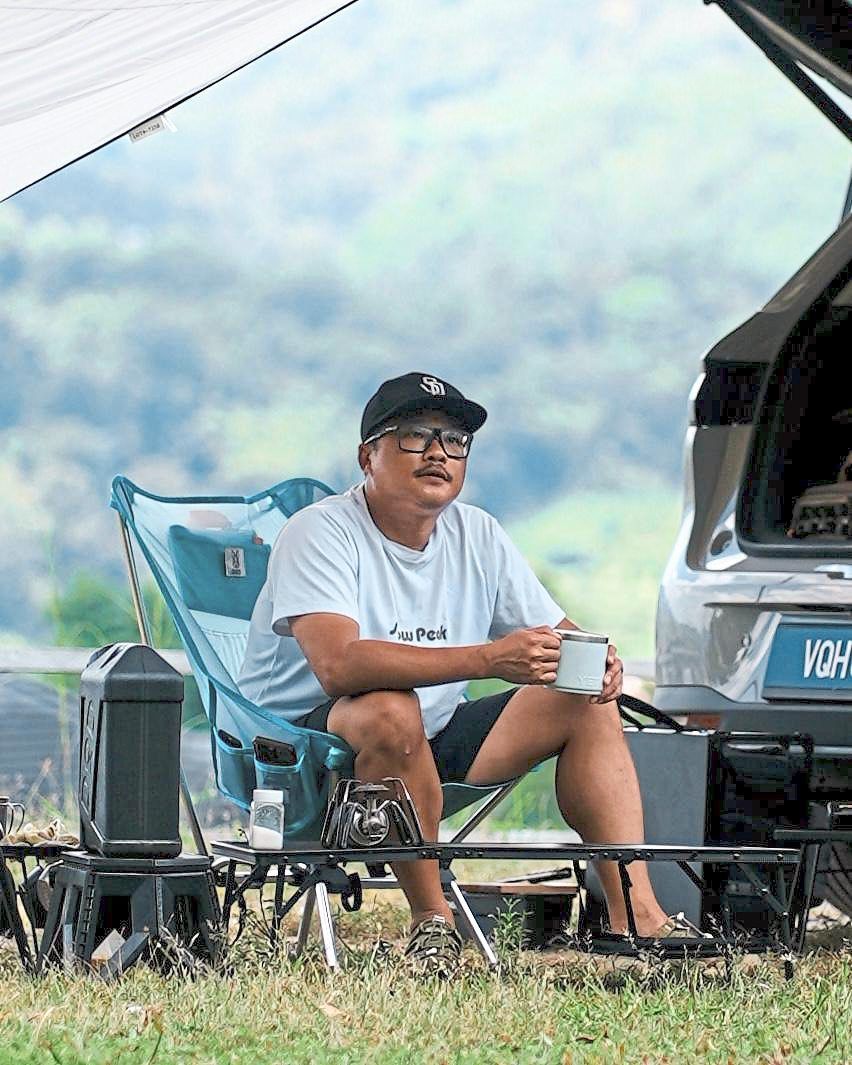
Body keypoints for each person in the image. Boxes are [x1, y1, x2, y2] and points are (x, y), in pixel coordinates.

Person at [239, 371, 689, 975]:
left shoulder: (476, 533)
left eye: (454, 441)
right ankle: (432, 925)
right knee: (387, 707)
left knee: (580, 695)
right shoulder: (318, 532)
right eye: (415, 435)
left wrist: (598, 660)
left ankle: (635, 916)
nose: (437, 453)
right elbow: (338, 665)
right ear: (366, 455)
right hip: (303, 757)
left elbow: (561, 632)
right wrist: (486, 658)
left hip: (428, 739)